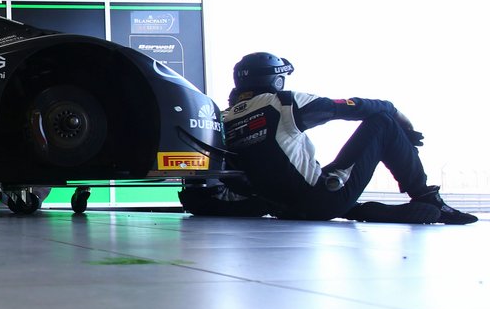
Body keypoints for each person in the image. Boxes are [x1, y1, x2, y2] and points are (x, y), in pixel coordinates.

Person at [183, 52, 476, 224]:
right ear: (276, 80)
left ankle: (367, 210)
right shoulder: (283, 101)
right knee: (383, 123)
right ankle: (428, 198)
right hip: (318, 199)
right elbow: (361, 107)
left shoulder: (221, 118)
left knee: (311, 175)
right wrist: (402, 121)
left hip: (280, 208)